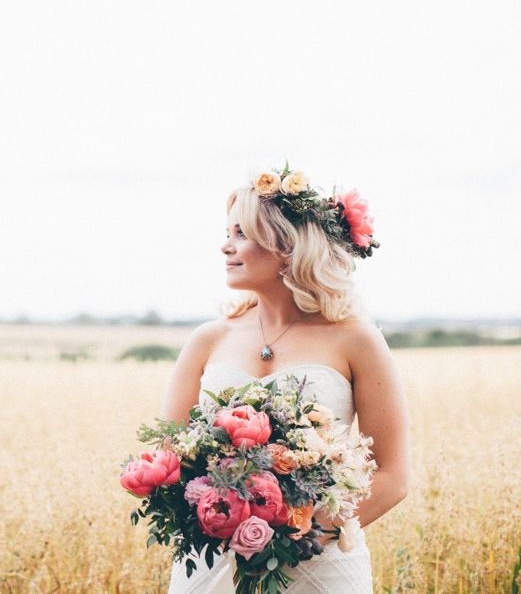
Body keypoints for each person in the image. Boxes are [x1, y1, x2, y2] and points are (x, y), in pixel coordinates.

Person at [160, 165, 411, 593]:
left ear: (287, 246)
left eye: (241, 234)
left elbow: (392, 475)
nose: (226, 246)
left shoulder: (357, 339)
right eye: (227, 232)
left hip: (321, 563)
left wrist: (304, 532)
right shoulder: (207, 340)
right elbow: (171, 459)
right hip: (212, 563)